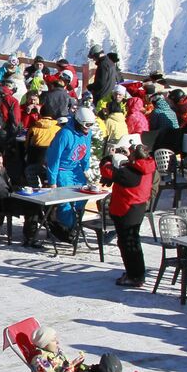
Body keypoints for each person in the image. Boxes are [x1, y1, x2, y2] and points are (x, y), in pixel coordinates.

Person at [103, 144, 155, 287]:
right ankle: (135, 273)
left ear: (135, 157)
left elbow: (107, 171)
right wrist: (129, 156)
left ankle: (135, 276)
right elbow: (131, 164)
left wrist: (109, 157)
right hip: (137, 207)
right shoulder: (146, 166)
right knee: (132, 242)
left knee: (128, 244)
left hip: (126, 209)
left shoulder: (131, 173)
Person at [26, 325, 123, 372]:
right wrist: (70, 368)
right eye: (54, 340)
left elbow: (64, 367)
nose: (58, 342)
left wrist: (75, 365)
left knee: (108, 365)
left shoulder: (53, 351)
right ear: (44, 343)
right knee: (110, 370)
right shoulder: (39, 360)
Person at [43, 106, 95, 234]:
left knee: (82, 197)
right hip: (62, 170)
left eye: (90, 125)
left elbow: (86, 151)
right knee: (66, 202)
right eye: (86, 125)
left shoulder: (87, 133)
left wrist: (86, 168)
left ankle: (75, 225)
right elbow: (54, 158)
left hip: (76, 169)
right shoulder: (65, 134)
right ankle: (66, 229)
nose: (88, 128)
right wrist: (52, 180)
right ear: (78, 121)